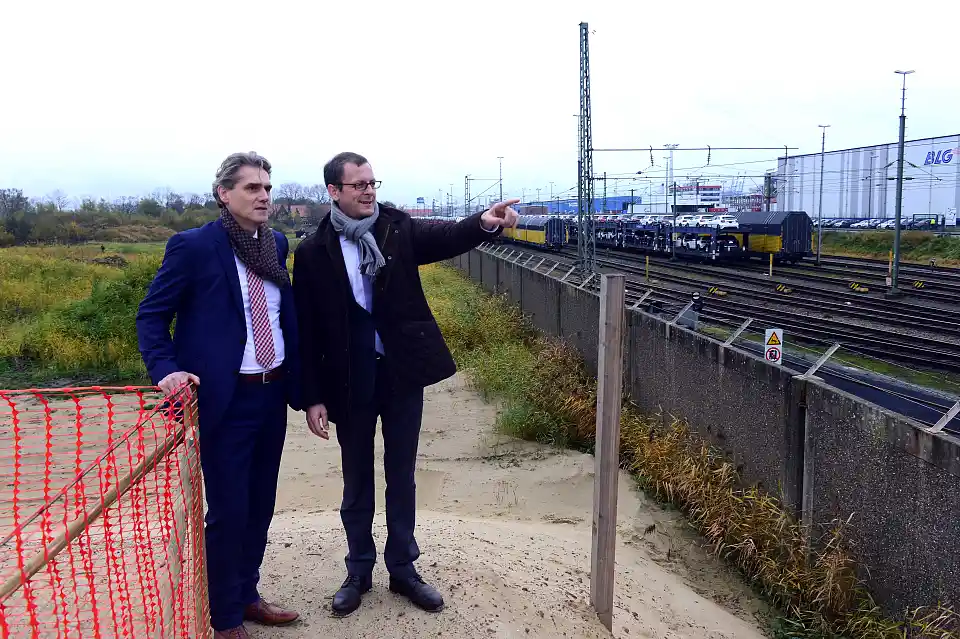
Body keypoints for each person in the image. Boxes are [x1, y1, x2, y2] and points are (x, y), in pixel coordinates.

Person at [292, 151, 518, 617]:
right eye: (358, 185)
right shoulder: (313, 253)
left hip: (400, 375)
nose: (369, 190)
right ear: (334, 191)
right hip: (349, 381)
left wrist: (485, 222)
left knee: (402, 476)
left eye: (373, 182)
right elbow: (306, 327)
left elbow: (447, 237)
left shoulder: (397, 228)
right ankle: (358, 570)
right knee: (356, 479)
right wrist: (311, 395)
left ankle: (403, 569)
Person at [136, 152, 302, 639]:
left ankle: (247, 594)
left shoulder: (275, 242)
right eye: (251, 188)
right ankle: (223, 616)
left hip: (272, 396)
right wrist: (166, 370)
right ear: (223, 194)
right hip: (225, 401)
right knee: (229, 509)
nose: (264, 196)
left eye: (267, 187)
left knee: (260, 504)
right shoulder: (192, 247)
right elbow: (151, 315)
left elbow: (279, 314)